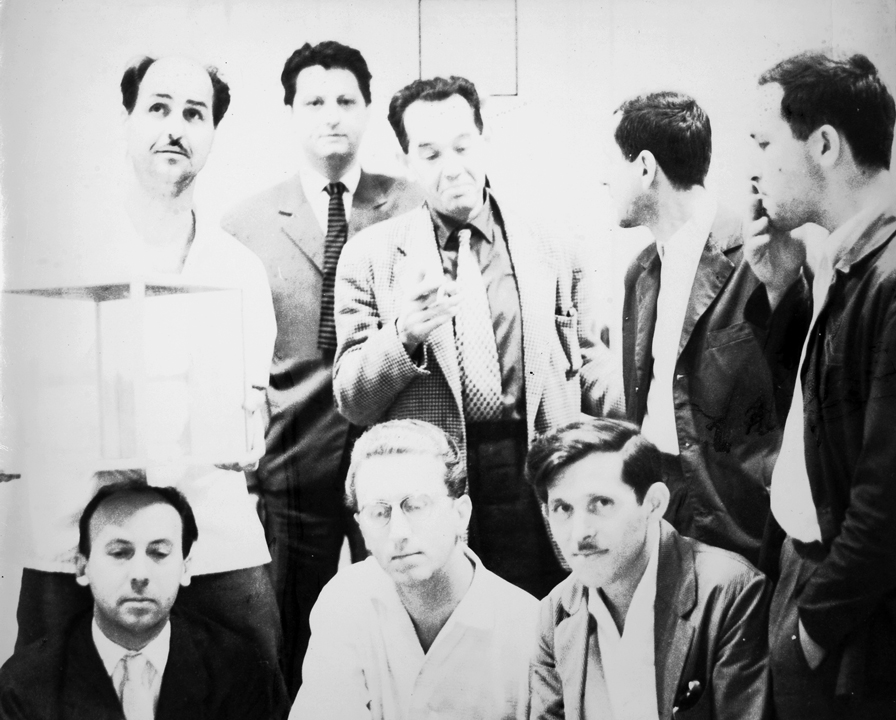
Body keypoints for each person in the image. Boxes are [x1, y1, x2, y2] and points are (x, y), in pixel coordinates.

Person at [13, 56, 282, 672]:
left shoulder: (239, 269)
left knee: (256, 674)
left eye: (195, 113)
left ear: (212, 133)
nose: (176, 128)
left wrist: (251, 430)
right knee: (48, 690)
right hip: (74, 530)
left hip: (207, 528)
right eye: (158, 108)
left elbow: (250, 406)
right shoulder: (58, 256)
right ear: (128, 120)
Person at [333, 75, 623, 598]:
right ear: (405, 160)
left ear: (484, 141)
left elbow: (591, 367)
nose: (452, 168)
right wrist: (403, 336)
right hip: (434, 491)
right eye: (430, 154)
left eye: (463, 147)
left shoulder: (553, 243)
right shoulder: (369, 258)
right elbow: (352, 400)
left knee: (547, 624)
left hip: (541, 472)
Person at [221, 41, 421, 696]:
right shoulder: (245, 224)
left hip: (390, 450)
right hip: (293, 462)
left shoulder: (412, 206)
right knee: (289, 633)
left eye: (345, 100)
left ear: (367, 110)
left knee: (400, 622)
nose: (331, 114)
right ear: (290, 113)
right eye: (314, 102)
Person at [744, 50, 896, 719]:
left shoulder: (887, 277)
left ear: (825, 145)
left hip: (845, 617)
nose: (754, 168)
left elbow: (886, 499)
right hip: (807, 578)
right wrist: (781, 290)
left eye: (764, 143)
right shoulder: (843, 258)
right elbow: (814, 422)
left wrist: (813, 627)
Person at [606, 91, 784, 566]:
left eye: (612, 162)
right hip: (658, 502)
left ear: (645, 168)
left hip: (742, 517)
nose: (605, 179)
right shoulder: (640, 272)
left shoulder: (760, 257)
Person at [291, 419, 537, 720]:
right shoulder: (344, 602)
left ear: (461, 514)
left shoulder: (528, 628)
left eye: (416, 506)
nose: (398, 532)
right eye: (378, 512)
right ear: (361, 528)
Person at [526, 418, 771, 720]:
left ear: (654, 504)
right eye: (563, 509)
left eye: (601, 503)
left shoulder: (730, 592)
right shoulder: (554, 612)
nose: (579, 533)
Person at [0, 481, 286, 719]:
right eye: (119, 553)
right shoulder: (23, 683)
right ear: (82, 566)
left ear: (185, 568)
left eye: (159, 553)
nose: (140, 575)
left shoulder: (240, 672)